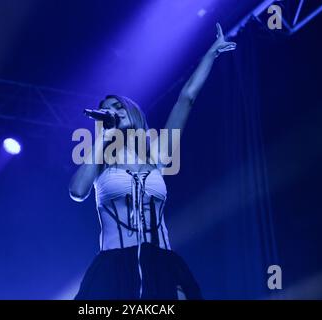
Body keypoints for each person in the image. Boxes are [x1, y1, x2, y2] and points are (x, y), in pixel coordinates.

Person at [69, 23, 236, 300]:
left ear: (133, 112)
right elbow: (77, 191)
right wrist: (102, 136)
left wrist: (211, 54)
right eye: (106, 110)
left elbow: (187, 98)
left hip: (161, 264)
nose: (112, 111)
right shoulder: (101, 162)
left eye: (118, 106)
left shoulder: (157, 155)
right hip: (113, 267)